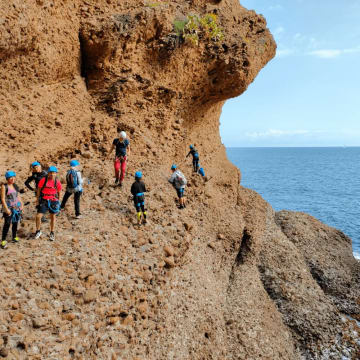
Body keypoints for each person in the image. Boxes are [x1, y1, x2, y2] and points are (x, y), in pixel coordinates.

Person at [35, 166, 62, 241]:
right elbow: (39, 190)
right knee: (38, 216)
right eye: (50, 173)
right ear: (48, 173)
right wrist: (37, 200)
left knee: (53, 216)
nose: (52, 174)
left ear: (56, 173)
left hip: (53, 200)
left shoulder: (57, 182)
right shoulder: (43, 180)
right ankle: (38, 231)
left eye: (54, 173)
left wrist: (58, 201)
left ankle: (52, 232)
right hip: (44, 200)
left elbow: (59, 191)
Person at [1, 171, 23, 249]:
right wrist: (6, 209)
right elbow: (3, 199)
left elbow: (18, 196)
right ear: (7, 179)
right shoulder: (4, 186)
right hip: (8, 207)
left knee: (15, 222)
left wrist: (21, 205)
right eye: (11, 177)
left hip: (16, 207)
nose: (13, 179)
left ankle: (14, 237)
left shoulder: (15, 186)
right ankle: (3, 240)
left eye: (14, 177)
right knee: (7, 223)